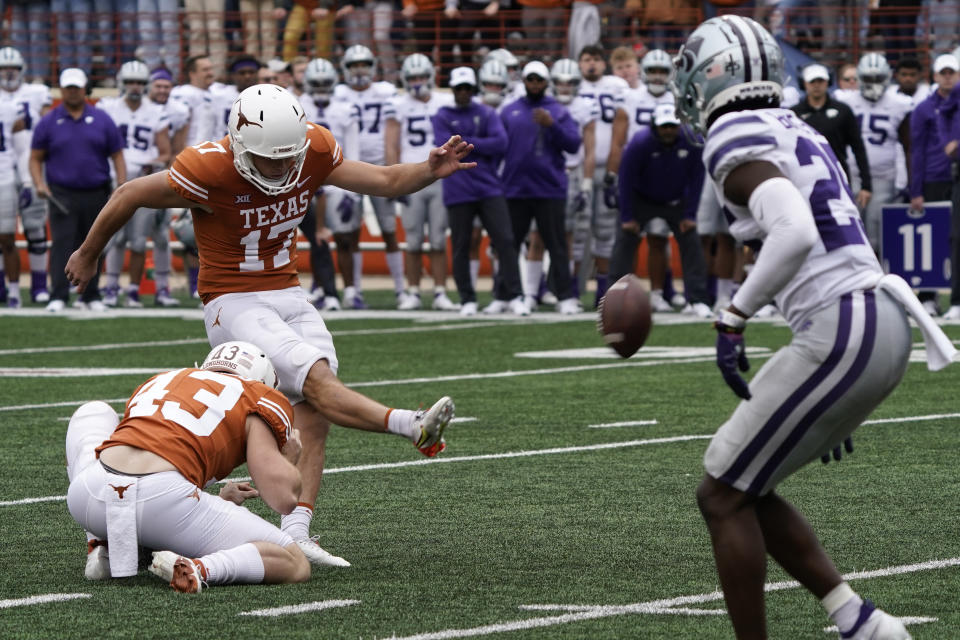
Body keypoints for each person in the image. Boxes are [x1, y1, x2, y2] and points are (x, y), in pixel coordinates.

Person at [64, 83, 467, 566]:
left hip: (288, 291)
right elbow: (130, 193)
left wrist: (429, 170)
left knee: (314, 412)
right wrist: (87, 255)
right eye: (268, 158)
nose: (280, 167)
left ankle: (298, 533)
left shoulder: (313, 147)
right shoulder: (207, 166)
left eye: (287, 157)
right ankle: (412, 426)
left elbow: (383, 180)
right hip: (230, 297)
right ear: (238, 143)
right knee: (316, 381)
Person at [673, 15, 956, 639]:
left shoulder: (732, 133)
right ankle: (860, 623)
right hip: (876, 321)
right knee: (743, 481)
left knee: (721, 494)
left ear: (713, 75)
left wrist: (732, 315)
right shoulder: (793, 122)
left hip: (845, 324)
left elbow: (795, 231)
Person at [66, 340, 311, 592]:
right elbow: (282, 498)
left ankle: (100, 543)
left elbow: (159, 455)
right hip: (160, 504)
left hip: (88, 495)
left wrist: (220, 501)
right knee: (293, 561)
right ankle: (199, 568)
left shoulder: (162, 380)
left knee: (93, 411)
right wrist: (289, 459)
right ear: (262, 379)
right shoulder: (259, 395)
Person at [29, 67, 126, 312]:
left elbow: (117, 154)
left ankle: (91, 295)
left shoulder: (102, 119)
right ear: (61, 90)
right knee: (62, 244)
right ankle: (59, 295)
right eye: (68, 88)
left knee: (95, 243)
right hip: (61, 193)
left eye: (77, 88)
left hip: (97, 192)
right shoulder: (49, 121)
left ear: (85, 90)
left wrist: (122, 184)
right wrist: (39, 183)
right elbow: (35, 157)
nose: (72, 92)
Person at [432, 66, 525, 316]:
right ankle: (467, 298)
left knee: (505, 240)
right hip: (458, 188)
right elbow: (445, 148)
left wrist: (468, 142)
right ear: (453, 89)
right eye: (459, 88)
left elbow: (501, 143)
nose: (463, 92)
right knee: (462, 244)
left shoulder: (486, 112)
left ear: (474, 90)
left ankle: (515, 295)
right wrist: (479, 143)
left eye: (467, 88)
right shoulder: (442, 114)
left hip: (487, 186)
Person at [607, 103, 712, 319]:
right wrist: (627, 216)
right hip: (641, 198)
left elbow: (697, 178)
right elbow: (625, 180)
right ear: (655, 125)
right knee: (625, 241)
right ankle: (612, 300)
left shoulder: (692, 141)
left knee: (691, 241)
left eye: (672, 127)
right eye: (664, 127)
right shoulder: (640, 143)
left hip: (676, 200)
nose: (668, 131)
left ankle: (698, 299)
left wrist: (690, 214)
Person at [500, 60, 581, 314]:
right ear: (524, 82)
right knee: (509, 244)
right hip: (515, 188)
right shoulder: (509, 110)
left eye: (539, 80)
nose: (534, 84)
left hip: (549, 188)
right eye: (530, 79)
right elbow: (497, 146)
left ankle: (565, 296)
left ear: (547, 83)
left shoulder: (557, 110)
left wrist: (552, 125)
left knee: (556, 243)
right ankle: (505, 295)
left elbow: (573, 144)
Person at [333, 44, 404, 308]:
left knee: (388, 230)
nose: (359, 70)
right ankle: (357, 291)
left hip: (379, 168)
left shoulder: (386, 91)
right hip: (348, 170)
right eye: (354, 65)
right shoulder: (337, 93)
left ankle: (401, 290)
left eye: (363, 64)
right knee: (351, 233)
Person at [97, 60, 172, 308]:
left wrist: (152, 164)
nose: (135, 87)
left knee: (139, 240)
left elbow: (165, 152)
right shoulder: (108, 108)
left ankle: (133, 291)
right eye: (130, 81)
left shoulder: (156, 112)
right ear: (121, 83)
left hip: (143, 183)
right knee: (115, 238)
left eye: (139, 82)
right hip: (114, 180)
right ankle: (111, 288)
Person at [385, 53, 457, 311]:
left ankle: (440, 292)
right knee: (413, 239)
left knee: (438, 238)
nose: (417, 82)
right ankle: (413, 291)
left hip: (439, 177)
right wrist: (396, 177)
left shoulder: (445, 101)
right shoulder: (398, 104)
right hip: (411, 176)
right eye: (412, 77)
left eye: (421, 77)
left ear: (431, 76)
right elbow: (391, 143)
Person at [833, 53, 912, 255]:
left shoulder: (900, 103)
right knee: (851, 229)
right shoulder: (845, 100)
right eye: (869, 79)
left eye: (877, 79)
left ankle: (876, 278)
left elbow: (907, 145)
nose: (873, 84)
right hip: (851, 176)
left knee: (877, 233)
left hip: (884, 177)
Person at [299, 57, 358, 311]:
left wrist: (353, 191)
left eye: (325, 82)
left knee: (345, 239)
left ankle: (352, 291)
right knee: (317, 238)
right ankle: (322, 288)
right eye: (316, 83)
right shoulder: (298, 106)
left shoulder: (346, 108)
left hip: (338, 180)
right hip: (308, 182)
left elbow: (352, 150)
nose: (321, 86)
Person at [577, 44, 629, 307]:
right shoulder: (571, 84)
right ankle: (572, 289)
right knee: (577, 230)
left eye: (596, 59)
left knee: (606, 230)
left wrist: (615, 166)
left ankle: (603, 288)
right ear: (579, 63)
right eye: (587, 59)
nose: (592, 64)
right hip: (577, 169)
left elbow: (623, 124)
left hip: (610, 167)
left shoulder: (616, 86)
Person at [0, 45, 52, 305]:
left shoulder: (36, 93)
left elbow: (47, 127)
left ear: (22, 70)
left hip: (33, 164)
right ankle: (5, 287)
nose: (8, 73)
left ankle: (39, 285)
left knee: (35, 226)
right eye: (3, 68)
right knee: (3, 231)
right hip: (7, 168)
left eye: (13, 68)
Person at [908, 54, 958, 317]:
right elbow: (917, 150)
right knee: (934, 239)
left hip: (957, 177)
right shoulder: (924, 108)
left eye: (953, 72)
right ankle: (928, 296)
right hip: (934, 178)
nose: (948, 76)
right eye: (944, 72)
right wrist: (916, 189)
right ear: (936, 76)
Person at [171, 56, 220, 299]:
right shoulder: (184, 95)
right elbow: (178, 129)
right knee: (189, 231)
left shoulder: (215, 93)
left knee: (209, 228)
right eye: (205, 69)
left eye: (211, 67)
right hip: (191, 164)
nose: (211, 72)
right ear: (192, 73)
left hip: (212, 165)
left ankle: (205, 281)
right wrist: (180, 160)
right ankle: (194, 284)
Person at [792, 63, 872, 210]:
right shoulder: (794, 114)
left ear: (828, 83)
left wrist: (866, 185)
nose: (816, 85)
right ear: (804, 84)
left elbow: (858, 148)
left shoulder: (843, 111)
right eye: (812, 82)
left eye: (820, 81)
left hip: (838, 176)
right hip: (805, 180)